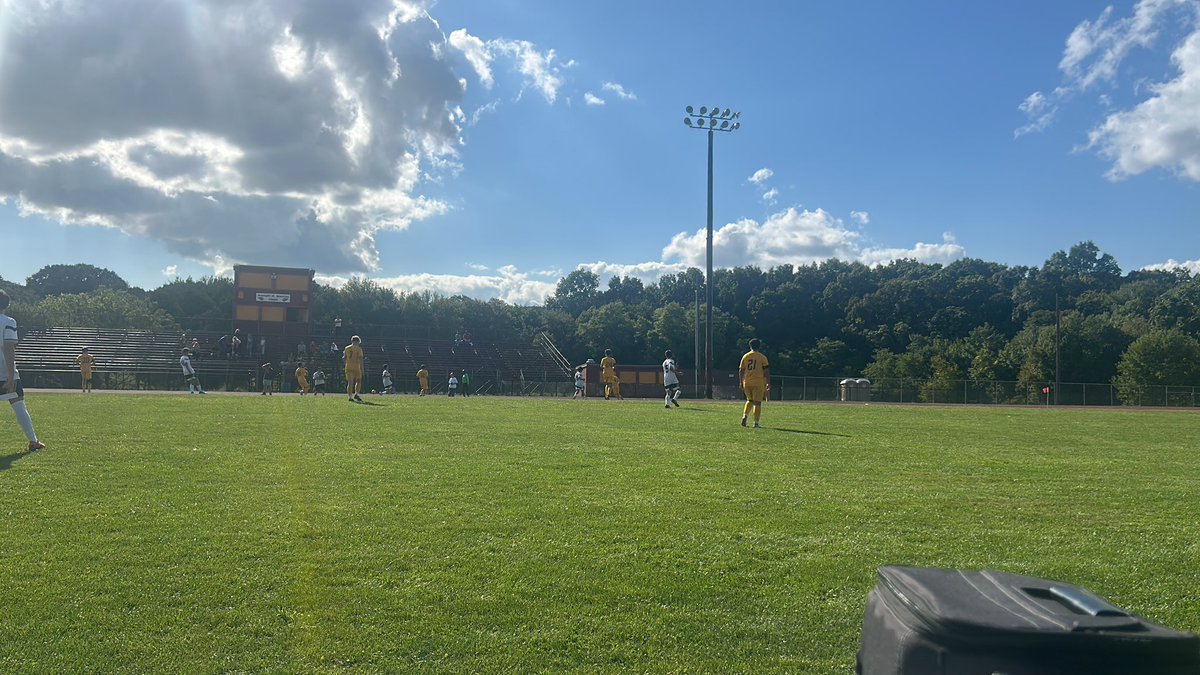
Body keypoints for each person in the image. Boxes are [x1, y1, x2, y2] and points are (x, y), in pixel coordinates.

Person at [1, 290, 45, 452]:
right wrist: (11, 375)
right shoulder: (8, 322)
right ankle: (33, 442)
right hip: (4, 373)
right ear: (7, 305)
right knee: (19, 405)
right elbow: (8, 347)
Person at [739, 338, 770, 428]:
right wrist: (768, 382)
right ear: (759, 346)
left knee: (750, 400)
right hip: (758, 382)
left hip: (747, 382)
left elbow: (741, 370)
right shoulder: (762, 357)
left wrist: (741, 381)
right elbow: (766, 371)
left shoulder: (745, 356)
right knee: (757, 403)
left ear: (750, 346)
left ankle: (745, 416)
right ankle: (756, 423)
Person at [343, 335, 364, 402]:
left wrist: (345, 364)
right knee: (358, 381)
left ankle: (350, 396)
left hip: (348, 367)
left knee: (350, 382)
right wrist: (362, 369)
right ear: (358, 341)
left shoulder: (347, 348)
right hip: (357, 367)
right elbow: (361, 359)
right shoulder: (359, 349)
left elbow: (344, 357)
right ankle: (356, 394)